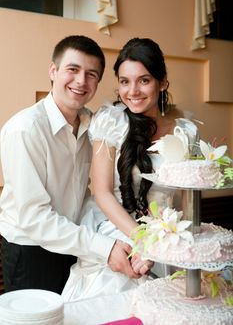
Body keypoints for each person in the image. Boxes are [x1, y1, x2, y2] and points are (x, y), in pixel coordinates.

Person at [0, 35, 142, 295]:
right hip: (32, 253)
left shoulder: (92, 125)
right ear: (53, 71)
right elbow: (34, 218)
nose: (81, 81)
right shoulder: (25, 129)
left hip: (75, 246)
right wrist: (104, 247)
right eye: (73, 70)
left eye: (91, 74)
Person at [62, 37, 199, 302]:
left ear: (162, 83)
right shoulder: (111, 122)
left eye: (144, 80)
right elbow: (102, 193)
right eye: (125, 81)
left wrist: (171, 243)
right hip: (115, 226)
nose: (132, 91)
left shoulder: (186, 132)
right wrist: (145, 241)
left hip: (167, 234)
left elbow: (186, 198)